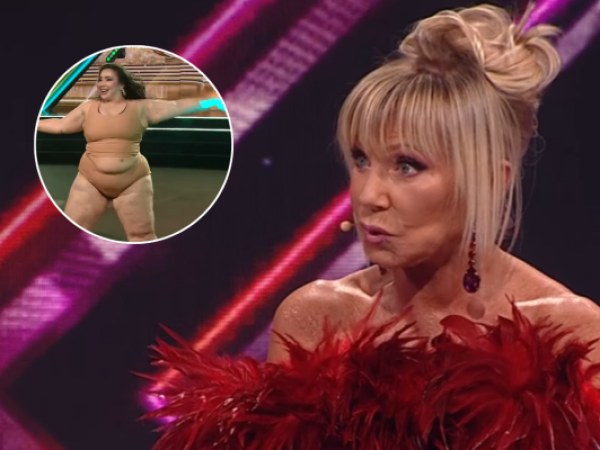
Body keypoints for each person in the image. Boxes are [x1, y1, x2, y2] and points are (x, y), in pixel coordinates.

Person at [142, 4, 600, 449]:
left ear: (492, 179)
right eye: (362, 160)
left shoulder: (572, 335)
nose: (368, 195)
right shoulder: (317, 320)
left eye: (407, 165)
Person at [37, 63, 225, 242]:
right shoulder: (88, 108)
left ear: (121, 85)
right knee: (68, 233)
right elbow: (60, 125)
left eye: (108, 79)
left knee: (141, 235)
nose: (102, 83)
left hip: (132, 182)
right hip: (90, 180)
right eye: (100, 79)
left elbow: (177, 106)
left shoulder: (141, 107)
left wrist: (211, 102)